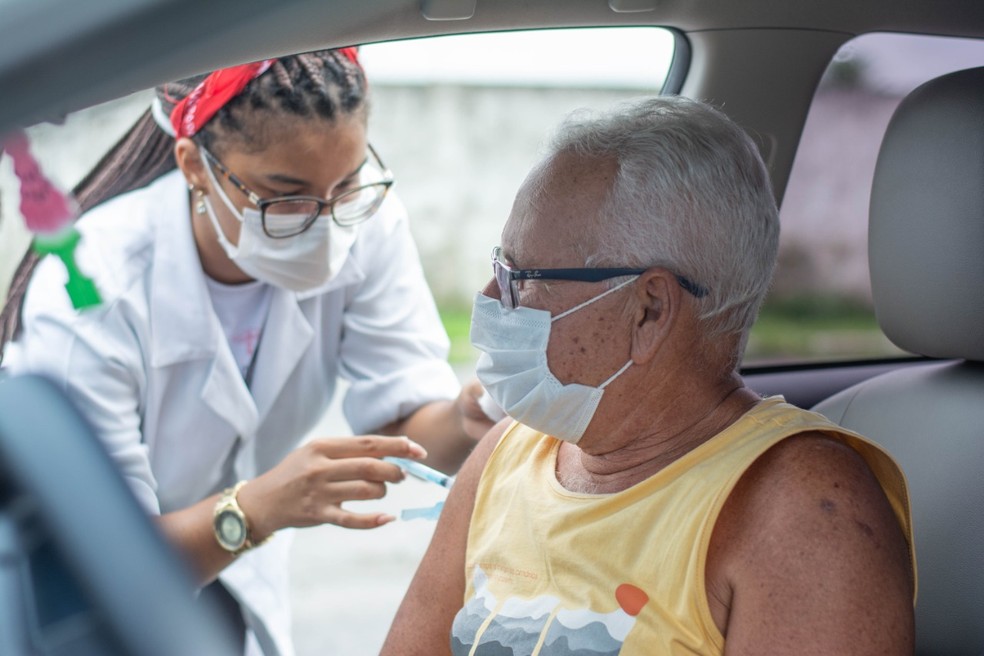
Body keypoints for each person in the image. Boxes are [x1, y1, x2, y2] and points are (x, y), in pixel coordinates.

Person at [1, 49, 494, 655]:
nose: (324, 222)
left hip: (231, 574)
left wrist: (465, 417)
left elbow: (404, 418)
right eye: (283, 197)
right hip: (81, 591)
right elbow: (106, 555)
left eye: (345, 185)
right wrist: (257, 508)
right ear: (194, 167)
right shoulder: (93, 287)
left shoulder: (364, 223)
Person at [381, 96, 916, 655]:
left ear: (649, 311)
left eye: (522, 278)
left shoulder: (802, 513)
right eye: (499, 267)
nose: (492, 299)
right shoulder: (507, 453)